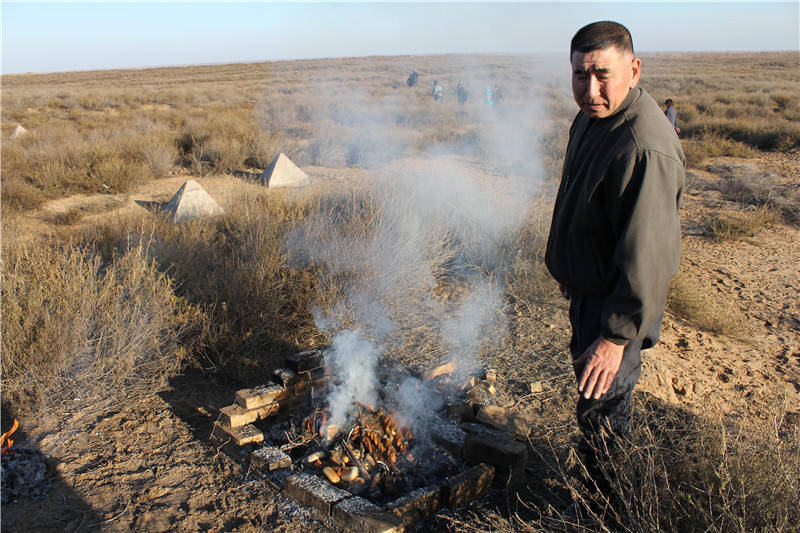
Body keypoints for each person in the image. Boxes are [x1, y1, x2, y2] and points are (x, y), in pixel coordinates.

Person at [544, 21, 685, 469]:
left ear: (635, 70)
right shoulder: (591, 120)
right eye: (580, 75)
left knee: (604, 421)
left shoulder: (643, 147)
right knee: (594, 413)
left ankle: (607, 510)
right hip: (591, 297)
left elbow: (650, 259)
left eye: (603, 74)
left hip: (613, 311)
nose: (590, 89)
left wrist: (614, 337)